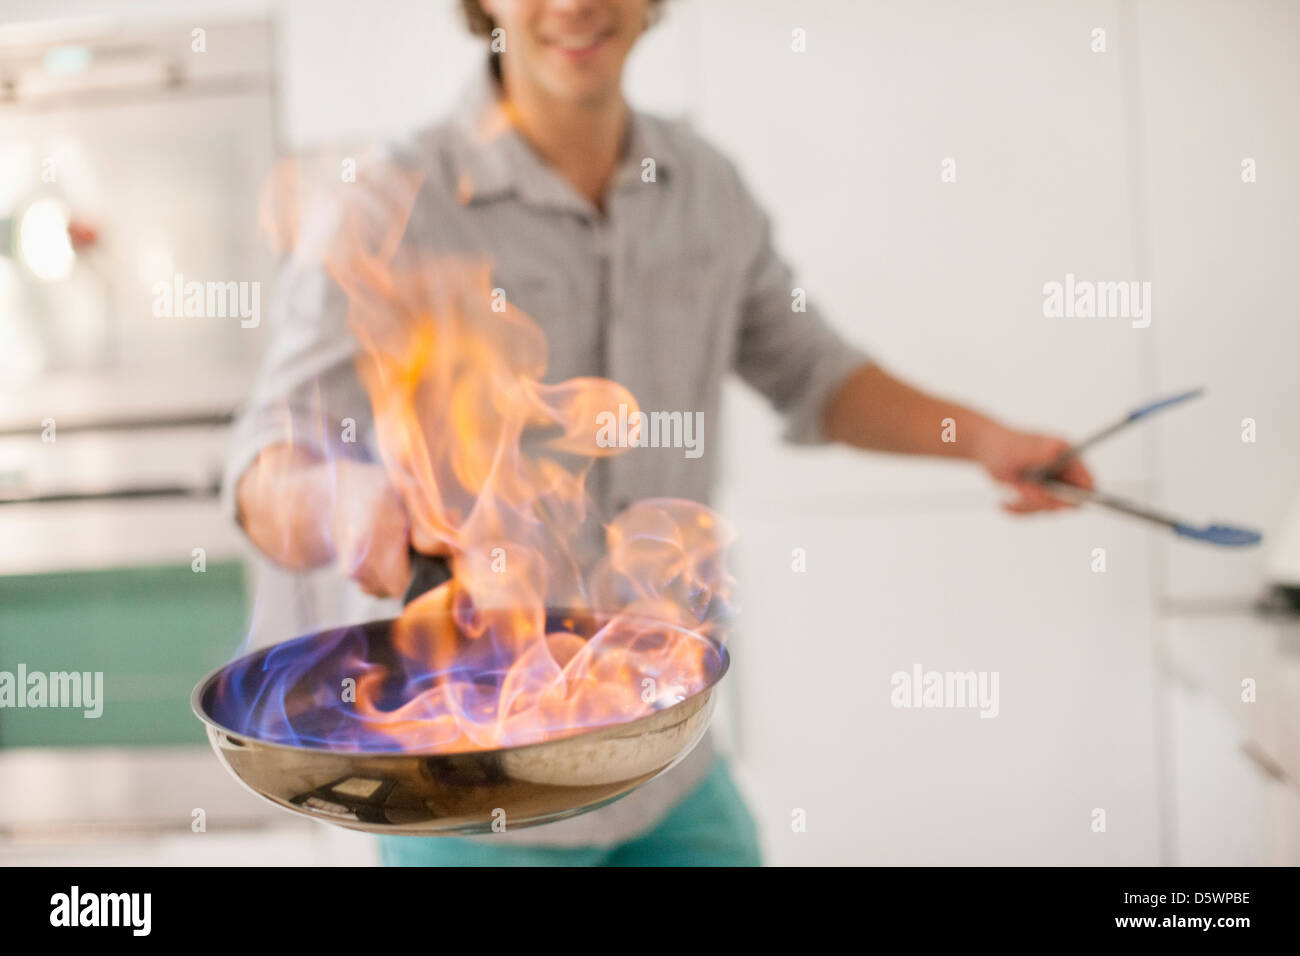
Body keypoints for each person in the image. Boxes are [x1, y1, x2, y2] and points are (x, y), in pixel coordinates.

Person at [228, 0, 1093, 867]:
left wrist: (984, 439)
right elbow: (264, 461)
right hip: (467, 799)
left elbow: (813, 373)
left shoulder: (705, 188)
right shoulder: (390, 202)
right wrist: (334, 499)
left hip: (671, 774)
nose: (572, 4)